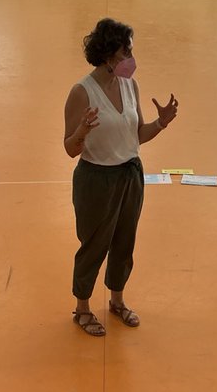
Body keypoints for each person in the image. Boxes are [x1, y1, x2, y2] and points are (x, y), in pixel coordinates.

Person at [63, 17, 179, 337]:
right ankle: (83, 307)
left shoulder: (130, 85)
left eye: (130, 50)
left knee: (124, 241)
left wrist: (161, 123)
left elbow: (137, 135)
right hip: (96, 179)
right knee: (94, 244)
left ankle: (117, 300)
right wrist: (82, 130)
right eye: (124, 51)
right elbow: (70, 149)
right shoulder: (81, 92)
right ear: (107, 55)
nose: (130, 57)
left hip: (130, 175)